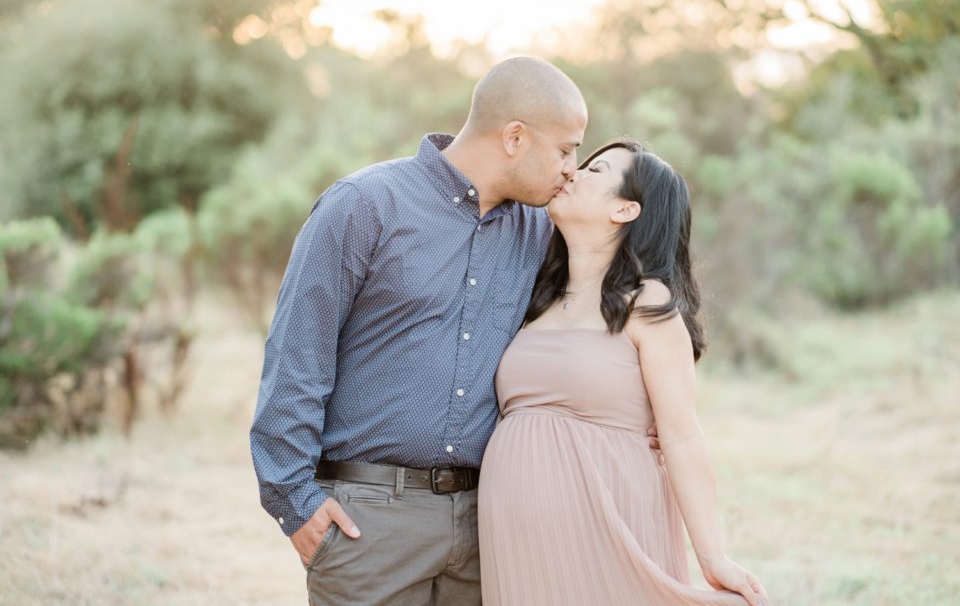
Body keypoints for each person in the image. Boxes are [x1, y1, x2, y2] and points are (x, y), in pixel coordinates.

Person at [249, 58, 658, 605]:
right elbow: (297, 356)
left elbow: (594, 325)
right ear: (515, 137)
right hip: (369, 521)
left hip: (492, 524)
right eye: (566, 149)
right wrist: (294, 503)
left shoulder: (541, 231)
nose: (571, 168)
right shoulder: (364, 206)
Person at [478, 139, 770, 606]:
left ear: (625, 210)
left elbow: (682, 436)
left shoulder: (646, 302)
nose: (573, 173)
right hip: (518, 542)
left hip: (609, 520)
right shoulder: (536, 297)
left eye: (596, 171)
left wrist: (713, 557)